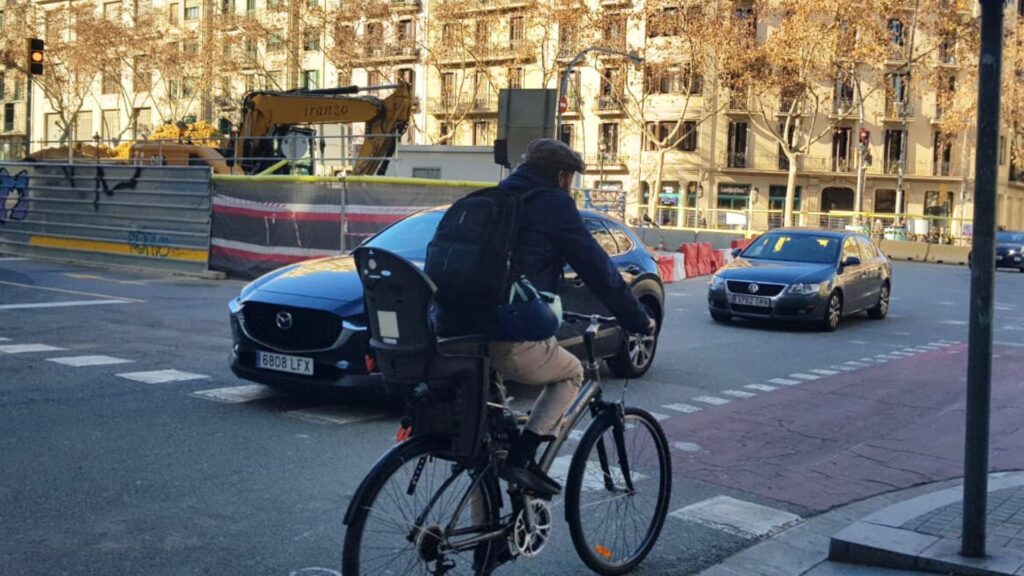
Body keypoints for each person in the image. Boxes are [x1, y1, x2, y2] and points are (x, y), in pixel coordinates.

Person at [436, 138, 656, 497]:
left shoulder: (489, 199)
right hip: (505, 331)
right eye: (570, 179)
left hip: (458, 333)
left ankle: (485, 542)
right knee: (570, 372)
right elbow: (597, 267)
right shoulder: (554, 204)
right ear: (562, 177)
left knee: (484, 445)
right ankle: (524, 458)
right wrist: (636, 320)